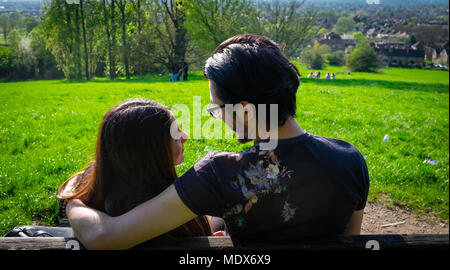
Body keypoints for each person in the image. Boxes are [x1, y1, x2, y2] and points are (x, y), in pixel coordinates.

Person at [65, 34, 369, 250]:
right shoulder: (350, 160)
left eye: (216, 107)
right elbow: (352, 241)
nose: (214, 116)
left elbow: (104, 238)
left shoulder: (219, 174)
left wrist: (74, 199)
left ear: (246, 109)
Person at [58, 99, 228, 246]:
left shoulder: (95, 191)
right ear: (152, 152)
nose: (185, 136)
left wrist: (72, 199)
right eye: (176, 133)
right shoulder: (178, 215)